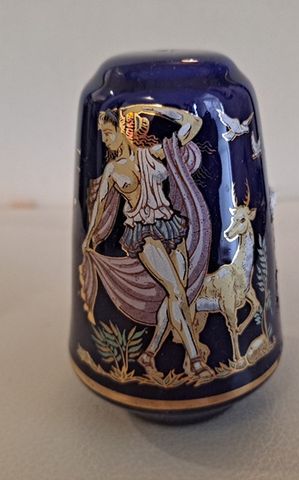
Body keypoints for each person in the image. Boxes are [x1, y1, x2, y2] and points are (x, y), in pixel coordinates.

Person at [82, 105, 212, 380]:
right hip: (143, 234)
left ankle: (150, 353)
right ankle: (195, 359)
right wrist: (90, 235)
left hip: (170, 225)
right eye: (102, 134)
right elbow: (99, 206)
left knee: (175, 295)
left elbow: (193, 123)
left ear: (123, 131)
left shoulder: (152, 154)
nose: (105, 139)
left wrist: (149, 109)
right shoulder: (112, 170)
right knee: (177, 292)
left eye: (108, 132)